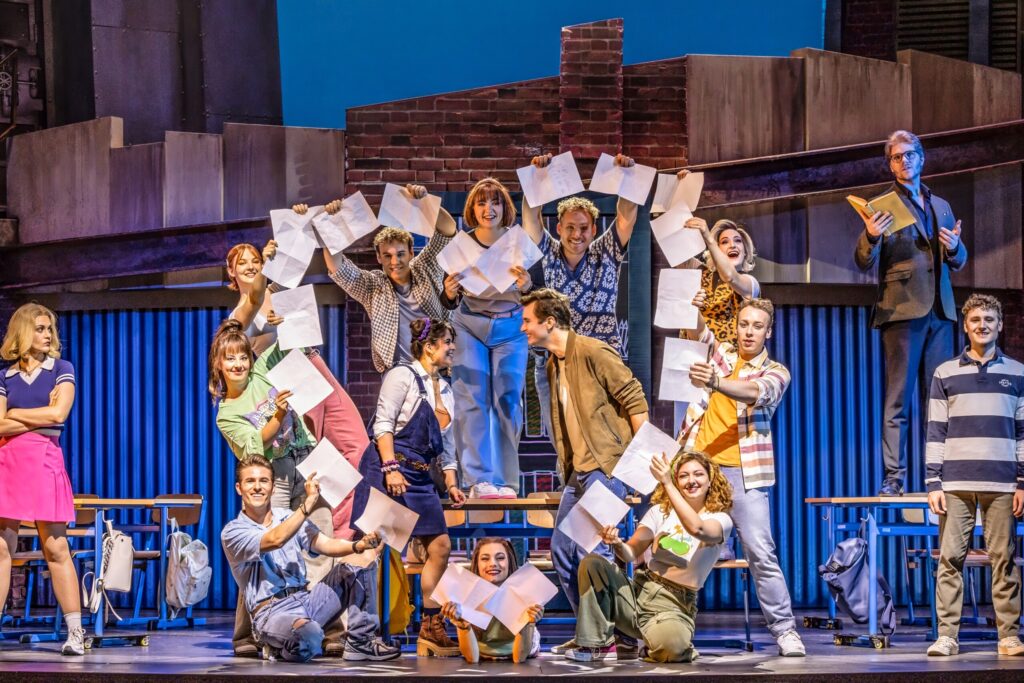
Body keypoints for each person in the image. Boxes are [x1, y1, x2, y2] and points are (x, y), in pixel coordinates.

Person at [519, 287, 648, 654]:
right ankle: (594, 630)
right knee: (562, 550)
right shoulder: (553, 363)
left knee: (593, 552)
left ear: (549, 322)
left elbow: (634, 399)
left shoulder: (593, 351)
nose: (523, 328)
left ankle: (612, 635)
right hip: (579, 473)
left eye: (528, 321)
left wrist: (638, 460)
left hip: (608, 468)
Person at [680, 296, 806, 656]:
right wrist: (694, 307)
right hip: (700, 470)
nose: (749, 332)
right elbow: (698, 333)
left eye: (757, 326)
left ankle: (785, 631)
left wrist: (717, 382)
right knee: (676, 544)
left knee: (761, 554)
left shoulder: (776, 371)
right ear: (735, 327)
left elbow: (754, 393)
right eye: (744, 324)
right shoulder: (722, 354)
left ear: (768, 331)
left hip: (744, 474)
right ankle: (667, 626)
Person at [224, 240, 369, 539]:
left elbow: (296, 264)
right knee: (319, 456)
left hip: (313, 362)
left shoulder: (276, 291)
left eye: (255, 260)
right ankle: (337, 537)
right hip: (290, 377)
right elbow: (253, 302)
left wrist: (302, 228)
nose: (251, 266)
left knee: (356, 444)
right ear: (231, 272)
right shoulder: (240, 314)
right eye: (243, 262)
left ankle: (347, 533)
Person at [854, 129, 968, 496]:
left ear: (922, 158)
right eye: (897, 157)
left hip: (940, 310)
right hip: (902, 310)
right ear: (890, 164)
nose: (904, 161)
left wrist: (956, 247)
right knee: (898, 400)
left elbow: (959, 261)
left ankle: (939, 475)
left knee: (939, 400)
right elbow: (863, 260)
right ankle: (894, 478)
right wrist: (872, 236)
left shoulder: (941, 205)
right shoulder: (882, 205)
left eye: (910, 154)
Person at [351, 318, 466, 656]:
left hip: (420, 476)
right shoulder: (401, 376)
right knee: (372, 549)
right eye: (447, 342)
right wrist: (390, 468)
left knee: (440, 547)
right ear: (429, 347)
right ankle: (361, 632)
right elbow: (383, 424)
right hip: (388, 469)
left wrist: (451, 482)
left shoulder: (446, 389)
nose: (452, 348)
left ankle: (431, 626)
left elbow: (446, 444)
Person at [221, 455, 399, 662]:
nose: (257, 487)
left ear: (273, 487)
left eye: (264, 481)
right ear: (239, 488)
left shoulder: (288, 516)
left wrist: (357, 546)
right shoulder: (233, 532)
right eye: (250, 481)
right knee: (310, 635)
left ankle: (361, 642)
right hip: (271, 612)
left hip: (307, 600)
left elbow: (324, 544)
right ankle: (281, 646)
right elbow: (276, 539)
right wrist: (307, 504)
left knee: (362, 560)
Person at [924, 293, 1024, 657]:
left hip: (1002, 482)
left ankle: (1008, 635)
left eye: (989, 320)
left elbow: (1023, 432)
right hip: (955, 483)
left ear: (1000, 325)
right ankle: (947, 635)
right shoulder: (945, 373)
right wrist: (933, 482)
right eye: (976, 320)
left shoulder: (1018, 373)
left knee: (1004, 560)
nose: (983, 326)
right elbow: (935, 430)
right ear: (965, 326)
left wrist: (1022, 483)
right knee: (950, 559)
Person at [568, 450, 733, 662]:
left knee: (674, 648)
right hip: (639, 593)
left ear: (710, 480)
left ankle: (654, 644)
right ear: (676, 480)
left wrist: (667, 483)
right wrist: (617, 543)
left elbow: (698, 529)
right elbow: (630, 554)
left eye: (698, 474)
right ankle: (597, 644)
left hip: (674, 605)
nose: (691, 481)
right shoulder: (660, 512)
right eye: (683, 476)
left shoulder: (720, 519)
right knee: (593, 563)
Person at [521, 154, 639, 452]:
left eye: (584, 227)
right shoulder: (548, 252)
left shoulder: (607, 251)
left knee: (608, 439)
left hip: (600, 359)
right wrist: (537, 177)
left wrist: (627, 177)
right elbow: (531, 217)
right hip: (556, 359)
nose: (577, 234)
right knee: (564, 443)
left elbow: (626, 216)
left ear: (594, 230)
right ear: (559, 228)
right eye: (570, 227)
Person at [0, 304, 85, 655]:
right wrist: (36, 416)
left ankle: (76, 632)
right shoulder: (4, 376)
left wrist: (16, 413)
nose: (48, 334)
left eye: (49, 328)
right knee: (2, 547)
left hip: (44, 459)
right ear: (22, 332)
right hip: (8, 462)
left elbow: (58, 414)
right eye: (39, 328)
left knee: (56, 547)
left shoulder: (61, 369)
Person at [447, 177, 532, 499]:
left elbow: (536, 291)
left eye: (495, 201)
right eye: (481, 202)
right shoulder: (461, 245)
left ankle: (506, 480)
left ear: (504, 207)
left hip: (511, 327)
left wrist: (527, 286)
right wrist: (448, 291)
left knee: (507, 402)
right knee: (471, 400)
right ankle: (478, 480)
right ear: (472, 208)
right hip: (469, 325)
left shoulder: (518, 241)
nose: (488, 209)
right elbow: (448, 298)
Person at [314, 185, 459, 373]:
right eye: (387, 256)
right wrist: (332, 224)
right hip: (397, 370)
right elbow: (338, 268)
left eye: (400, 254)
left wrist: (425, 202)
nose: (395, 261)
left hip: (437, 368)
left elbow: (447, 233)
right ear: (378, 257)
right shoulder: (373, 285)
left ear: (410, 252)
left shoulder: (425, 266)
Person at [439, 538, 542, 663]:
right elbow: (472, 658)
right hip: (479, 650)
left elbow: (519, 658)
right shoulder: (465, 595)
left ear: (509, 561)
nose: (493, 563)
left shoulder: (524, 593)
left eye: (500, 558)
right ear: (477, 563)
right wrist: (462, 625)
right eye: (485, 559)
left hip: (519, 649)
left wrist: (528, 623)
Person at [681, 211, 760, 348]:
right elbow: (675, 253)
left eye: (738, 241)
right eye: (724, 242)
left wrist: (708, 237)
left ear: (745, 251)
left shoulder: (750, 282)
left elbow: (730, 276)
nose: (733, 245)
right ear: (715, 251)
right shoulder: (701, 273)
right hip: (693, 353)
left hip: (727, 358)